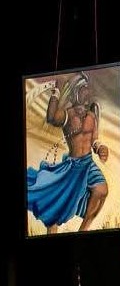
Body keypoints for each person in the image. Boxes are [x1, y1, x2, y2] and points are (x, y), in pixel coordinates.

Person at [27, 73, 110, 232]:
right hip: (73, 166)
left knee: (102, 190)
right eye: (82, 89)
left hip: (88, 163)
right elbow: (51, 118)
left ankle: (83, 231)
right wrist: (56, 92)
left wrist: (100, 148)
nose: (86, 93)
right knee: (58, 204)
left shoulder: (92, 116)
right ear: (75, 92)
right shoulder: (68, 114)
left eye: (87, 90)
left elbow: (95, 140)